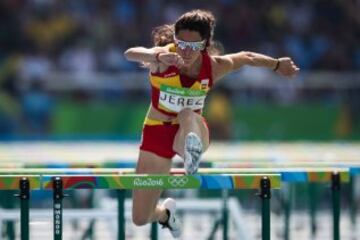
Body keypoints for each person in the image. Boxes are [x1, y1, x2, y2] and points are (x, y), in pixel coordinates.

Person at [124, 9, 299, 238]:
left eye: (194, 46)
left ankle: (191, 155)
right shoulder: (164, 58)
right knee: (140, 217)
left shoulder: (214, 66)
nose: (185, 52)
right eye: (181, 44)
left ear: (205, 44)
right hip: (157, 133)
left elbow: (245, 57)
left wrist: (276, 64)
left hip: (192, 129)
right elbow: (130, 53)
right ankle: (166, 215)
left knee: (187, 113)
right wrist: (156, 56)